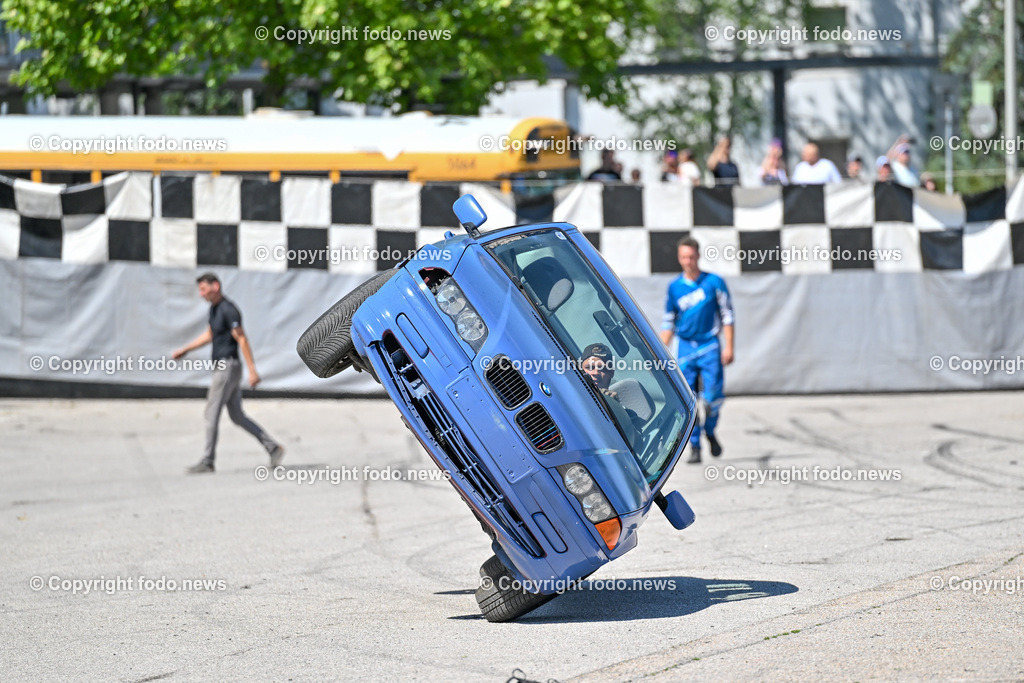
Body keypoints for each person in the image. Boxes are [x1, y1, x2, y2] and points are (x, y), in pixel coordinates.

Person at [173, 273, 284, 474]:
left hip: (227, 367)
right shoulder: (215, 310)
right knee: (237, 415)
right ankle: (273, 447)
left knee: (211, 412)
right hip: (225, 367)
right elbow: (210, 334)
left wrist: (252, 370)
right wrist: (186, 349)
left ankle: (208, 460)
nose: (201, 294)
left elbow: (242, 339)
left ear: (215, 286)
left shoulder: (228, 309)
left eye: (204, 289)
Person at [659, 237, 734, 464]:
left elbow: (728, 316)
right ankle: (694, 446)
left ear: (698, 256)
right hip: (685, 348)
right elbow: (668, 322)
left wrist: (729, 346)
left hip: (710, 346)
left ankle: (710, 430)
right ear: (679, 259)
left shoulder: (714, 282)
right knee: (687, 401)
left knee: (712, 398)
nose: (688, 261)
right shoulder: (674, 288)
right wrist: (660, 353)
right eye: (683, 257)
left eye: (691, 257)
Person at [579, 343, 645, 432]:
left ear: (611, 373)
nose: (595, 373)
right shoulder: (565, 396)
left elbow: (634, 441)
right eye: (589, 367)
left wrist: (615, 410)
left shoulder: (628, 416)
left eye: (602, 368)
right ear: (581, 370)